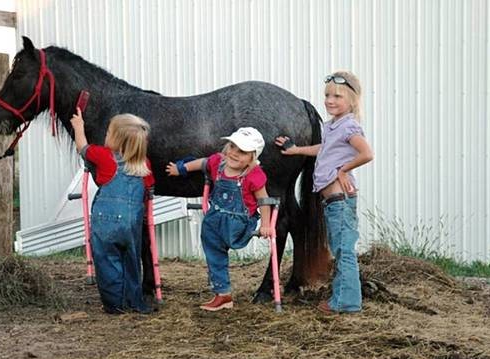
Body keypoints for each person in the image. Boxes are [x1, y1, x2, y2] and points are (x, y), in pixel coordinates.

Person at [275, 71, 373, 314]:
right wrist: (296, 150)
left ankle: (346, 302)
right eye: (327, 95)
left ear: (351, 100)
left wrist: (343, 170)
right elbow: (324, 148)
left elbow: (366, 153)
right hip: (332, 201)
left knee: (343, 251)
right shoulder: (331, 126)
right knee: (340, 249)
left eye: (337, 96)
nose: (330, 100)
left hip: (340, 200)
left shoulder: (350, 125)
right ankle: (343, 298)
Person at [166, 127, 272, 311]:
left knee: (222, 246)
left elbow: (263, 200)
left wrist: (265, 224)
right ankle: (223, 295)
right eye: (232, 146)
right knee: (214, 254)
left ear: (252, 157)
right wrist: (181, 168)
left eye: (243, 152)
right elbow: (202, 163)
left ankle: (223, 292)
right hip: (215, 218)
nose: (234, 154)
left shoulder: (253, 175)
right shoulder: (218, 162)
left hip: (239, 223)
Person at [71, 109, 154, 314]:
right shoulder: (144, 165)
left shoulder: (103, 156)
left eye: (108, 132)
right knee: (131, 261)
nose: (105, 135)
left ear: (117, 139)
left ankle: (113, 304)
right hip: (131, 223)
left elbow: (82, 147)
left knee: (107, 260)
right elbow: (148, 190)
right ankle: (134, 301)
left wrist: (78, 126)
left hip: (105, 222)